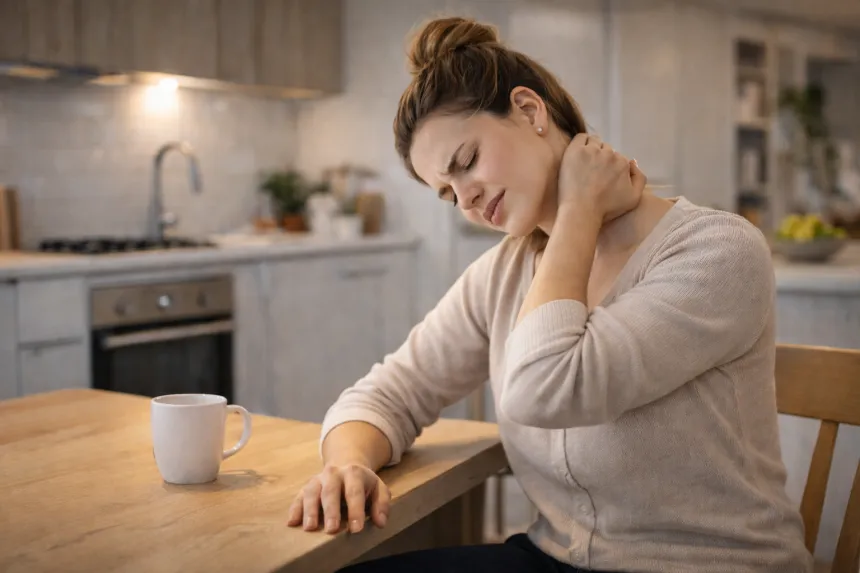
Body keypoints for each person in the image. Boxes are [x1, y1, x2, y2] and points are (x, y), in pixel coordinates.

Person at [287, 16, 812, 573]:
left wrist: (579, 211)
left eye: (466, 163)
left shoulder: (719, 251)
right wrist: (348, 464)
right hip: (554, 558)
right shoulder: (503, 274)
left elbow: (547, 389)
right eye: (447, 193)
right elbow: (387, 393)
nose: (466, 200)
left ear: (530, 111)